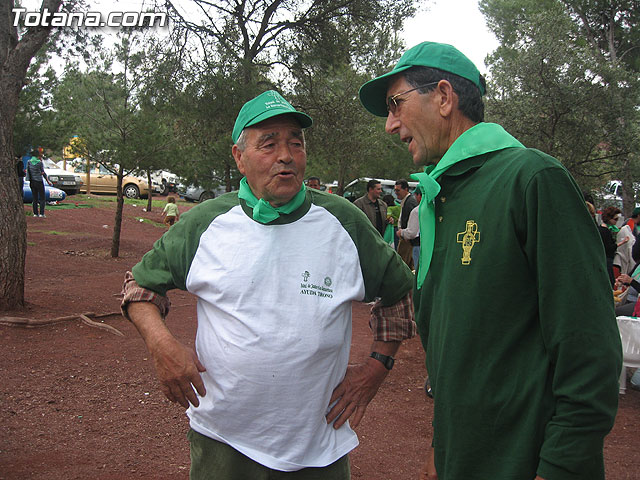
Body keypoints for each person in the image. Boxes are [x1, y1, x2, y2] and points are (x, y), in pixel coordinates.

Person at [358, 41, 622, 480]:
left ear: (444, 97)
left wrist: (561, 465)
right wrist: (443, 444)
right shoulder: (438, 200)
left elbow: (588, 345)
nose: (390, 125)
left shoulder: (533, 179)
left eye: (395, 104)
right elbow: (458, 347)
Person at [120, 90, 415, 479]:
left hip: (318, 447)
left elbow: (398, 292)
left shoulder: (343, 222)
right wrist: (162, 346)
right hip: (223, 443)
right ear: (239, 157)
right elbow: (139, 289)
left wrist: (377, 366)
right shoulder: (205, 223)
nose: (286, 156)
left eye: (296, 142)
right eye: (269, 144)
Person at [397, 186, 422, 271]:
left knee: (419, 271)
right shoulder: (433, 209)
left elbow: (412, 232)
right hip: (429, 245)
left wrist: (401, 232)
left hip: (417, 245)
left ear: (419, 196)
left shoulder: (417, 211)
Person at [26, 149, 48, 218]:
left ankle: (35, 213)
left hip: (32, 181)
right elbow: (43, 172)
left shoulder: (29, 162)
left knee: (34, 198)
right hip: (39, 181)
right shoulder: (39, 162)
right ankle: (42, 213)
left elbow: (28, 172)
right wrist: (47, 180)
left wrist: (28, 179)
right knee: (42, 198)